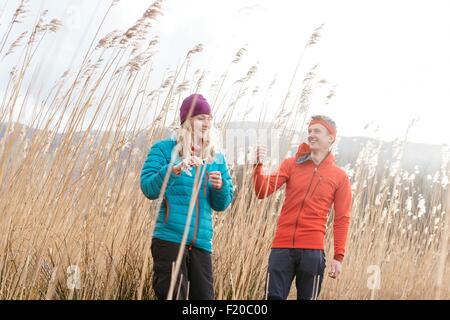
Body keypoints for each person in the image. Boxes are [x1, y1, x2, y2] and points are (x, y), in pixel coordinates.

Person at [140, 94, 233, 300]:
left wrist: (220, 187)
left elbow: (223, 204)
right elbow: (148, 187)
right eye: (200, 117)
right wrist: (174, 170)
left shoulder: (216, 157)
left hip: (201, 244)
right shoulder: (164, 149)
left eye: (209, 118)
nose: (206, 123)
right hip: (170, 240)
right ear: (187, 122)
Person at [253, 115, 352, 300]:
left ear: (331, 138)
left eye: (317, 131)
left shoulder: (340, 177)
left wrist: (338, 257)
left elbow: (342, 218)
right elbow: (261, 191)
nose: (311, 135)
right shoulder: (291, 164)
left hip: (312, 253)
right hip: (281, 248)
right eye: (310, 131)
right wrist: (257, 165)